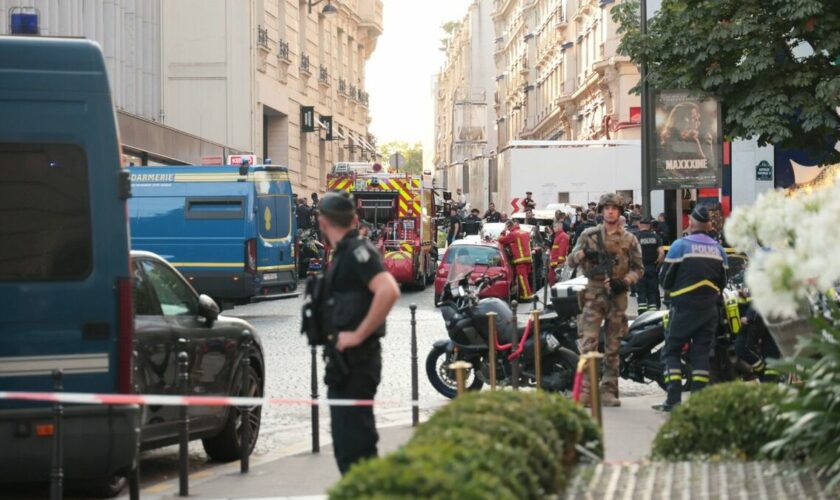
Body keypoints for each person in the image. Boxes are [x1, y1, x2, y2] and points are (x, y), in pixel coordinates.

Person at [315, 191, 401, 473]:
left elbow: (388, 290)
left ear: (322, 222)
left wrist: (358, 334)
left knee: (356, 448)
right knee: (347, 444)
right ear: (353, 219)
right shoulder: (345, 253)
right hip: (346, 364)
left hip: (357, 362)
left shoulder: (357, 252)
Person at [568, 193, 644, 407]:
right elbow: (570, 261)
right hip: (593, 295)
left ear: (620, 212)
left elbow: (639, 268)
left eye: (614, 208)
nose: (610, 211)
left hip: (617, 296)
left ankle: (609, 391)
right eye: (607, 208)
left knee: (613, 346)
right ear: (601, 211)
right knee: (588, 343)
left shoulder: (629, 239)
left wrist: (625, 281)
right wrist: (584, 254)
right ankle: (586, 391)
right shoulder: (588, 235)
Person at [654, 205, 727, 412]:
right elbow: (723, 281)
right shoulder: (719, 250)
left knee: (671, 351)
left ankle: (673, 399)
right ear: (709, 225)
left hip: (683, 308)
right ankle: (698, 403)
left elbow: (665, 280)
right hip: (709, 309)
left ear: (691, 223)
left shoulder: (680, 246)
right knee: (701, 355)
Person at [498, 220, 534, 301]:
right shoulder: (524, 232)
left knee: (522, 278)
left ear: (509, 226)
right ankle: (524, 295)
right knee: (526, 278)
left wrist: (503, 231)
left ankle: (526, 296)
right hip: (528, 259)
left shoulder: (513, 234)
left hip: (520, 260)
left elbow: (501, 240)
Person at [635, 217, 664, 313]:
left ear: (640, 224)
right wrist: (657, 264)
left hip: (640, 267)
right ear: (649, 225)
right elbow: (661, 254)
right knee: (652, 289)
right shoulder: (656, 237)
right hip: (652, 266)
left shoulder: (636, 237)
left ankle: (642, 307)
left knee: (641, 289)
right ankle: (652, 308)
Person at [548, 221, 570, 286]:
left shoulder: (563, 236)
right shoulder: (558, 236)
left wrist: (560, 262)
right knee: (551, 278)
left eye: (555, 226)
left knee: (553, 279)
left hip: (557, 263)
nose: (553, 228)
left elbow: (562, 250)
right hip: (554, 262)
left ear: (560, 226)